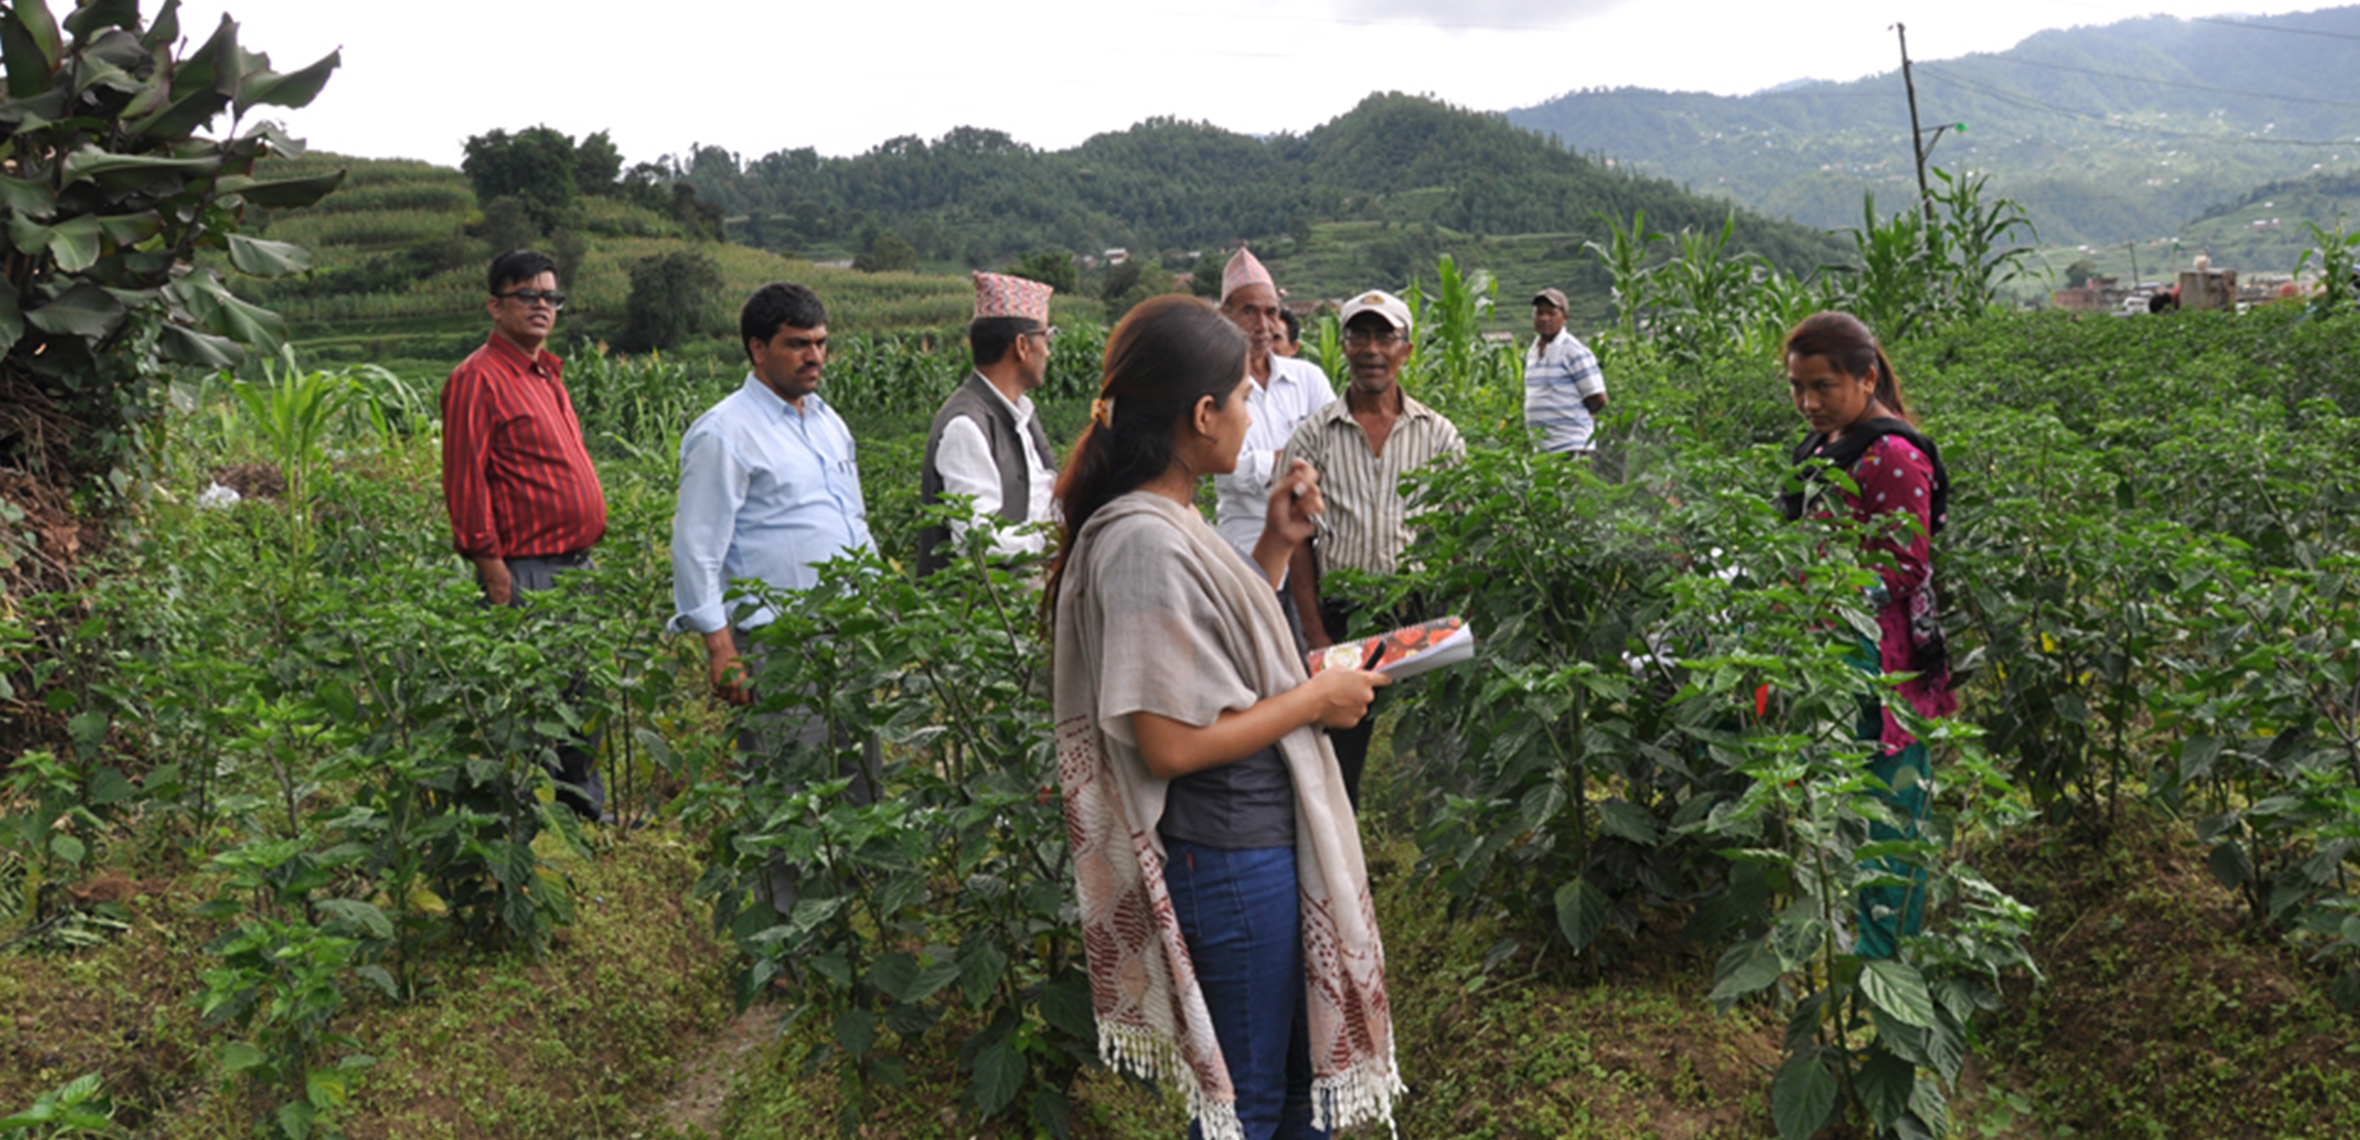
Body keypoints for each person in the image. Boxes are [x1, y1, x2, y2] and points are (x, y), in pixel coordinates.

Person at [1049, 295, 1402, 1140]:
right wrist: (1315, 698)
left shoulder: (1169, 518)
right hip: (1230, 858)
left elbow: (1199, 650)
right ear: (1201, 415)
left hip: (1249, 844)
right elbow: (1168, 741)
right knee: (1251, 1106)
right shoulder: (1143, 540)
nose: (1254, 415)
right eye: (1243, 397)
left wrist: (1275, 548)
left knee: (1292, 1088)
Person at [671, 283, 881, 911]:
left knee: (856, 774)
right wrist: (720, 646)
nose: (813, 356)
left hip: (844, 632)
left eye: (820, 343)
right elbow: (697, 547)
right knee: (789, 785)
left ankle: (849, 910)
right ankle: (788, 932)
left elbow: (852, 519)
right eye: (797, 344)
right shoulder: (725, 433)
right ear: (757, 349)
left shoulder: (825, 419)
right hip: (779, 642)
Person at [1777, 310, 1955, 960]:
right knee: (1845, 809)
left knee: (1889, 816)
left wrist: (1833, 593)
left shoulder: (1893, 452)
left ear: (1867, 377)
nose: (1808, 402)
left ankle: (1886, 971)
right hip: (1834, 654)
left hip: (1886, 666)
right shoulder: (1828, 449)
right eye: (1797, 387)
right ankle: (1853, 951)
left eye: (1823, 386)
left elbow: (1906, 564)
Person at [439, 249, 607, 821]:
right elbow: (465, 481)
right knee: (535, 702)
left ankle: (584, 816)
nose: (542, 307)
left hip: (575, 565)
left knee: (579, 696)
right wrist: (494, 571)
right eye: (528, 296)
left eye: (551, 297)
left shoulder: (545, 375)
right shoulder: (477, 379)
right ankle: (527, 822)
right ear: (495, 305)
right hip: (527, 568)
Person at [1279, 289, 1465, 808]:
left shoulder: (1439, 437)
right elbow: (1297, 541)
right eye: (1359, 334)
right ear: (1343, 346)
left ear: (1406, 350)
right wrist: (1315, 633)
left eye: (1385, 335)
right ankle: (1342, 872)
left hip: (1420, 613)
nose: (1372, 348)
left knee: (1439, 752)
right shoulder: (1313, 437)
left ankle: (1437, 849)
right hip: (1345, 617)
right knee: (1340, 759)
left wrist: (1452, 621)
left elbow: (1461, 535)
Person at [1211, 248, 1337, 647]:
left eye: (1272, 312)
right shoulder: (1213, 385)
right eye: (1250, 312)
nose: (1264, 325)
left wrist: (1274, 466)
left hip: (1313, 550)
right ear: (1225, 315)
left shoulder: (1308, 378)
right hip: (1247, 549)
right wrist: (1292, 462)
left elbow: (1334, 450)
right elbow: (1228, 472)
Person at [916, 271, 1060, 577]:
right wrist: (1050, 541)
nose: (1048, 352)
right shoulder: (966, 426)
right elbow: (976, 541)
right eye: (1045, 338)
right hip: (986, 611)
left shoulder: (1023, 414)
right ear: (1022, 346)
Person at [1523, 287, 1607, 457]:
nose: (1544, 318)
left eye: (1551, 313)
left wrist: (1576, 421)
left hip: (1571, 446)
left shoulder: (1573, 351)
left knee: (1572, 484)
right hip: (1543, 449)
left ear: (1564, 318)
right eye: (1540, 313)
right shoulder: (1532, 351)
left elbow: (1598, 398)